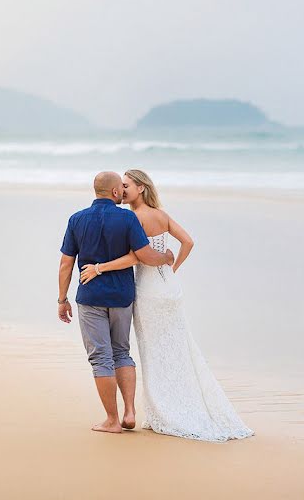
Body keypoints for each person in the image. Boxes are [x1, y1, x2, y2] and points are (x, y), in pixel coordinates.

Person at [79, 169, 254, 442]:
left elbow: (139, 258)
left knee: (152, 350)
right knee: (177, 347)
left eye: (126, 186)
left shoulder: (132, 217)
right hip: (169, 288)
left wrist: (99, 268)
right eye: (121, 186)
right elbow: (188, 241)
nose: (122, 191)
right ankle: (179, 403)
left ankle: (163, 410)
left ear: (140, 187)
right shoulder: (161, 214)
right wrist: (174, 267)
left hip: (147, 290)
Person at [57, 171, 174, 434]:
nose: (123, 191)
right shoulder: (127, 217)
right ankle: (129, 411)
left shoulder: (76, 219)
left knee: (101, 358)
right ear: (114, 193)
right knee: (121, 351)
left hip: (90, 297)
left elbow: (66, 263)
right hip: (122, 296)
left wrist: (62, 299)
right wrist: (165, 257)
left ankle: (112, 420)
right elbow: (143, 255)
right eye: (120, 188)